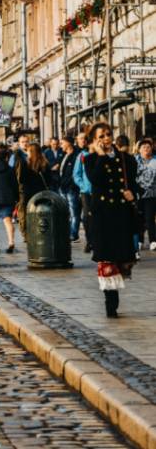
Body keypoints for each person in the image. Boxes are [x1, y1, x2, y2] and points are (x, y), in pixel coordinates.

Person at [85, 122, 138, 318]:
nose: (106, 139)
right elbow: (95, 180)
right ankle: (111, 303)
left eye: (108, 134)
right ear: (94, 140)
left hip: (121, 214)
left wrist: (133, 194)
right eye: (101, 136)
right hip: (103, 217)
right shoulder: (90, 159)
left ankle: (114, 299)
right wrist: (100, 156)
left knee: (121, 259)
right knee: (107, 259)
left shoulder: (125, 159)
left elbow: (134, 182)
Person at [15, 141, 51, 239]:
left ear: (31, 151)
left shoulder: (25, 163)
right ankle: (40, 231)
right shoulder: (45, 163)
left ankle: (28, 234)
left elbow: (21, 179)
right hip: (41, 193)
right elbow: (50, 179)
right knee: (40, 213)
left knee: (26, 214)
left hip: (27, 194)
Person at [0, 145, 19, 253]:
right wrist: (17, 197)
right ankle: (11, 242)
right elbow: (15, 184)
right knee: (7, 220)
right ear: (5, 157)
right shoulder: (10, 169)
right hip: (7, 197)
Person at [73, 131, 92, 251]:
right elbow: (76, 174)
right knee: (86, 217)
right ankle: (89, 240)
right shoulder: (82, 156)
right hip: (86, 191)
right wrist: (83, 185)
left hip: (101, 191)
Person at [59, 136, 81, 241]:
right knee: (65, 212)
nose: (61, 145)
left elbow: (74, 173)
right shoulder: (64, 155)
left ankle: (73, 234)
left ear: (69, 143)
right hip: (63, 187)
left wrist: (72, 185)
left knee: (74, 212)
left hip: (71, 188)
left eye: (62, 143)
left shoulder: (76, 155)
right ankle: (67, 232)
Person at [136, 137, 156, 250]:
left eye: (148, 147)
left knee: (150, 218)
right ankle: (140, 240)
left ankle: (153, 240)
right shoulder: (134, 161)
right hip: (138, 195)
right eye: (143, 147)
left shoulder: (155, 161)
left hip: (152, 194)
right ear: (139, 149)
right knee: (139, 219)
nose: (146, 149)